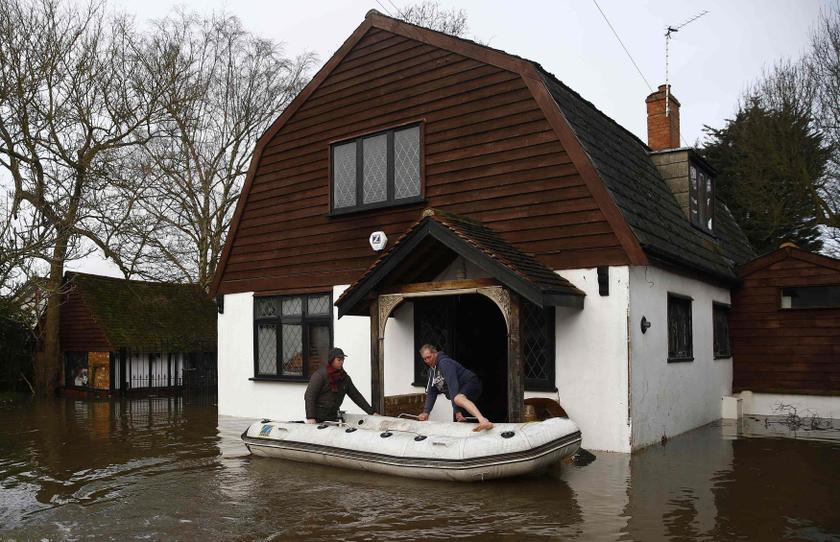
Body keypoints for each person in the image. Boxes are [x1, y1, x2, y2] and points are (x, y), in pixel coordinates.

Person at [417, 344, 493, 432]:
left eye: (428, 357)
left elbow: (452, 386)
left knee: (458, 399)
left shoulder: (444, 362)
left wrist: (456, 410)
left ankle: (483, 421)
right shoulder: (431, 372)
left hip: (471, 383)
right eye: (424, 359)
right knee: (460, 418)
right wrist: (426, 412)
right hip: (460, 393)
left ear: (435, 353)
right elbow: (431, 393)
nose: (427, 361)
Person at [304, 347, 376, 423]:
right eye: (339, 360)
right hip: (317, 418)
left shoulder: (345, 378)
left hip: (332, 418)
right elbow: (309, 396)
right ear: (332, 360)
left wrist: (372, 412)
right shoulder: (320, 375)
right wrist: (311, 417)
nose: (341, 362)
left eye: (343, 360)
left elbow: (356, 396)